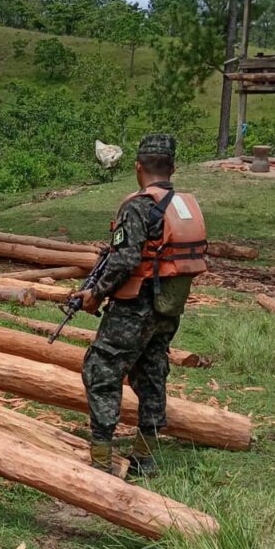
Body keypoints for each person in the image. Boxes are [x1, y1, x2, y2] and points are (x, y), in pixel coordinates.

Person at [71, 134, 207, 476]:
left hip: (135, 308)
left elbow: (125, 260)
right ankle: (143, 459)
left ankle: (101, 460)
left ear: (137, 167)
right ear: (172, 168)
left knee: (101, 370)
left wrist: (96, 293)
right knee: (151, 374)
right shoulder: (181, 204)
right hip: (168, 307)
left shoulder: (138, 205)